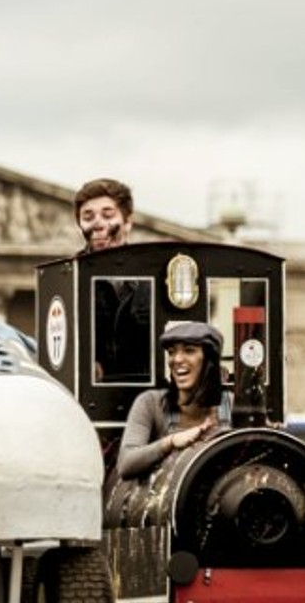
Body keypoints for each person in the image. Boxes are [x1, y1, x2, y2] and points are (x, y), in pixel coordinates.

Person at [115, 320, 226, 481]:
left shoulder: (231, 405)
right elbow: (125, 464)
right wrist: (171, 442)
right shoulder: (151, 403)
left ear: (210, 361)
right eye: (172, 352)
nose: (177, 359)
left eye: (189, 350)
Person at [74, 176, 151, 384]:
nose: (98, 224)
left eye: (107, 215)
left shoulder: (153, 276)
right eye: (88, 217)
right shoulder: (68, 278)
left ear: (127, 222)